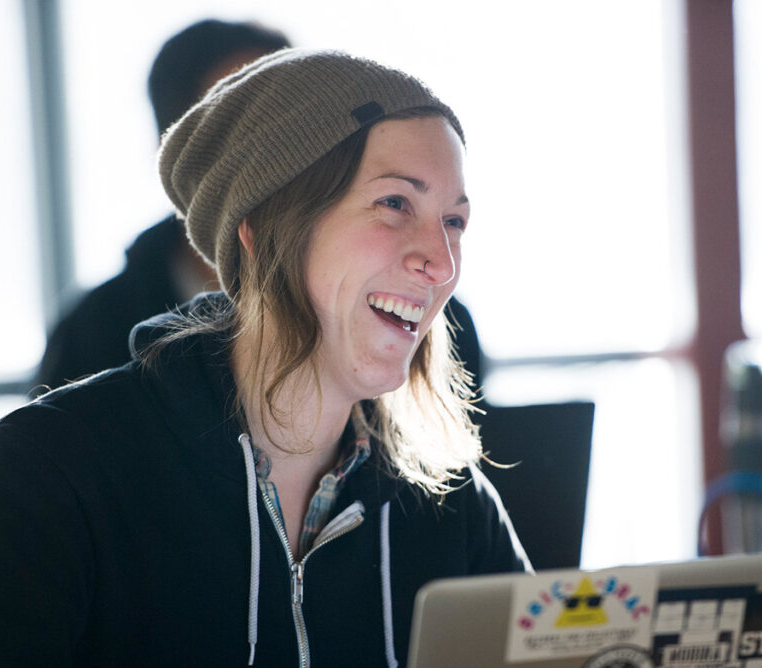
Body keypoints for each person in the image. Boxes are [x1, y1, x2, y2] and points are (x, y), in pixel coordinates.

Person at [0, 49, 528, 668]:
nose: (441, 263)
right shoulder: (50, 470)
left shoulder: (449, 501)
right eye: (395, 204)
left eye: (454, 221)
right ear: (262, 228)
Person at [37, 19, 487, 393]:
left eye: (291, 115)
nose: (273, 142)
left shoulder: (435, 333)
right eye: (238, 119)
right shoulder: (94, 331)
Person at [35, 19, 291, 390]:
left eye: (289, 123)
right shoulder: (95, 329)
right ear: (175, 152)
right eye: (242, 126)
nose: (277, 151)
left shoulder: (347, 299)